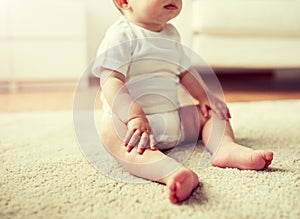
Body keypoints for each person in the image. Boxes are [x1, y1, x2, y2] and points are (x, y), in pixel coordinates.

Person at [93, 0, 274, 204]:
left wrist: (204, 96)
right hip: (132, 128)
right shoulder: (121, 36)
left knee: (212, 112)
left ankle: (225, 147)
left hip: (173, 118)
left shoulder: (171, 34)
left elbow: (186, 72)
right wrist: (134, 116)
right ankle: (171, 172)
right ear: (125, 2)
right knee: (110, 130)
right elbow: (111, 80)